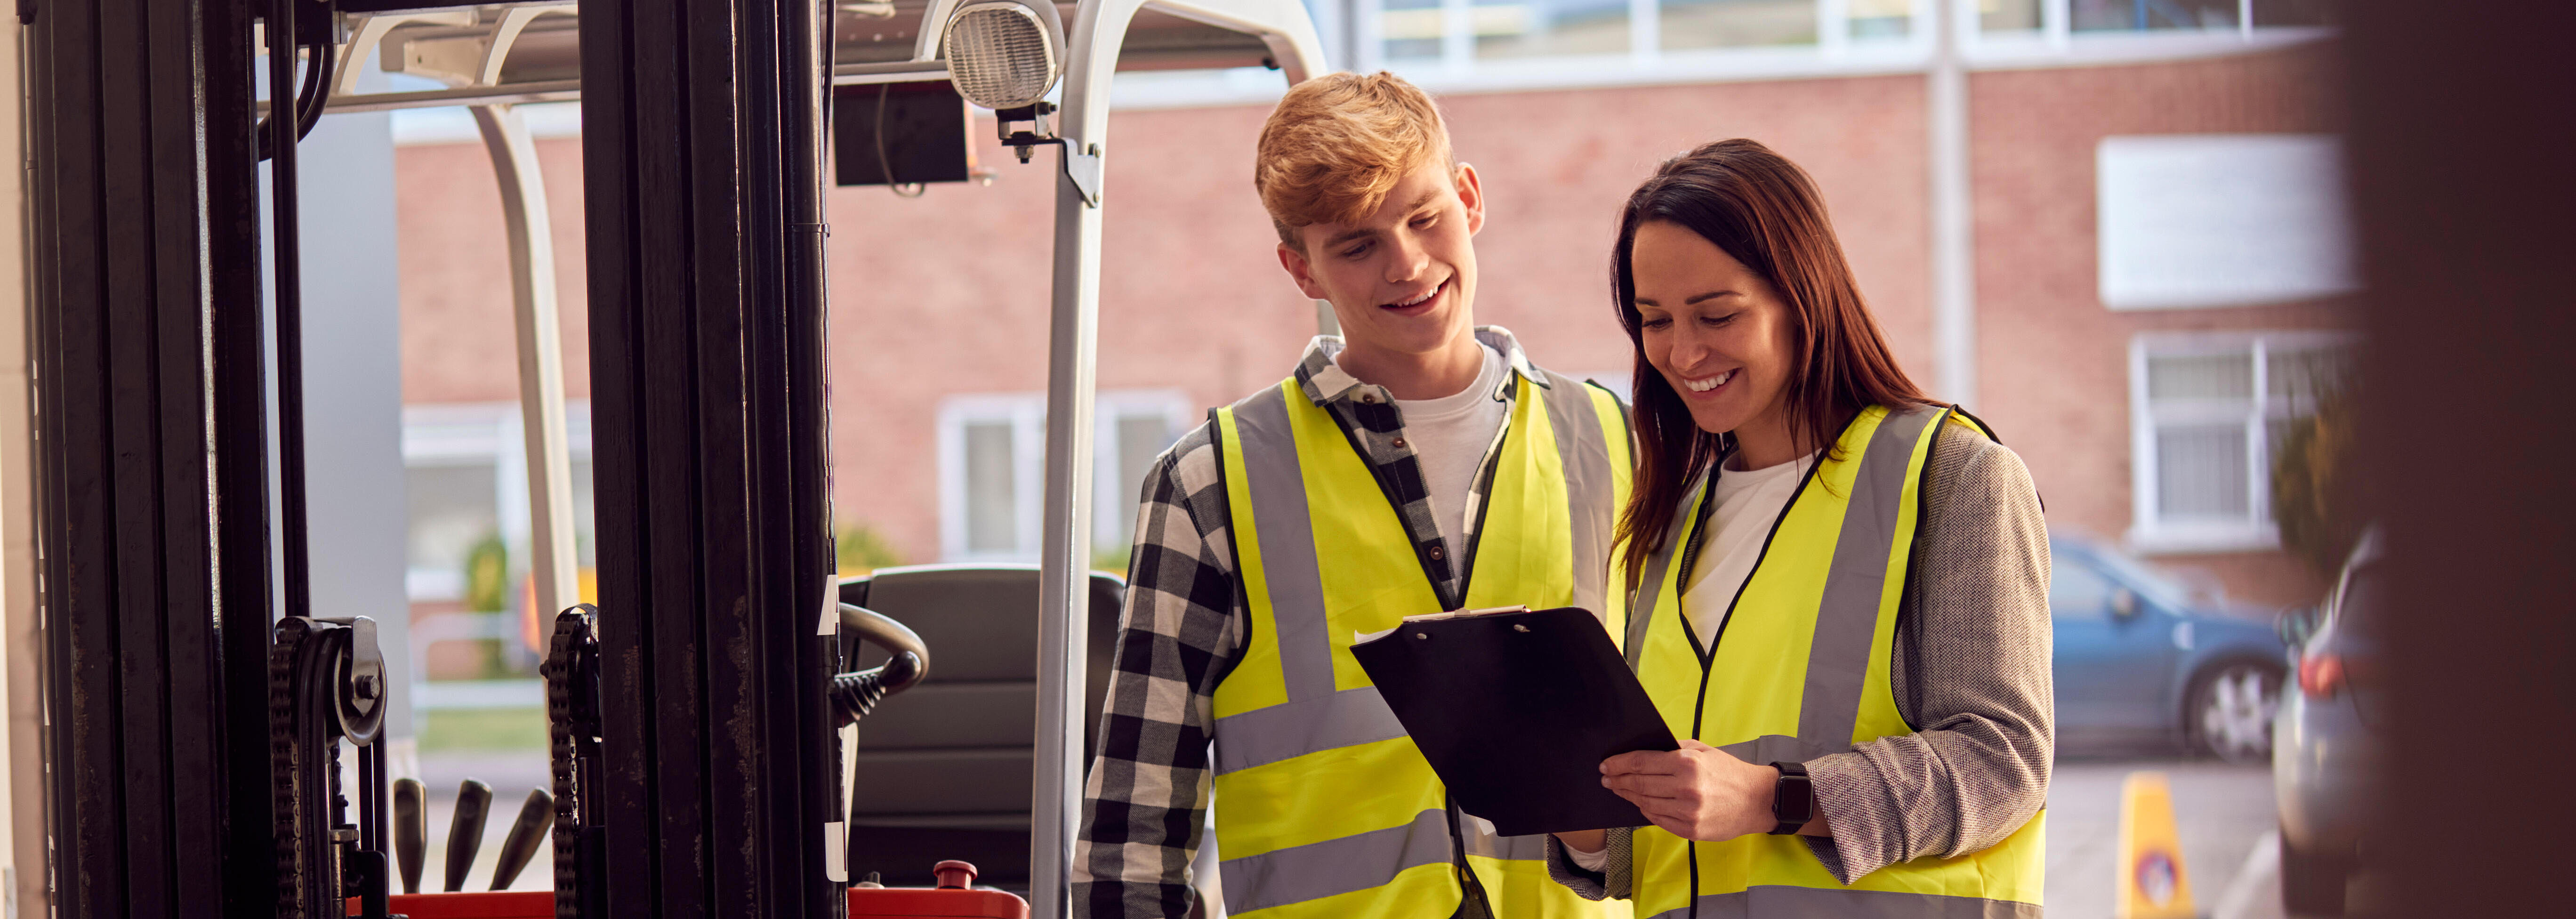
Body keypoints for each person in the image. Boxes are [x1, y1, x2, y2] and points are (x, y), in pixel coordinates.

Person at [1072, 72, 1633, 919]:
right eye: (1357, 245)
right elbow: (1132, 839)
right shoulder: (1209, 483)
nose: (1407, 264)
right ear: (1301, 269)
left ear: (1470, 197)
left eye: (1424, 217)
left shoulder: (1619, 444)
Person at [1545, 139, 2051, 915]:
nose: (1682, 352)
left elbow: (2003, 761)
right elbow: (1688, 823)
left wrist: (1773, 799)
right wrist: (1587, 820)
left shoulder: (1953, 477)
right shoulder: (1672, 523)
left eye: (1717, 314)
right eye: (1654, 321)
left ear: (1801, 296)